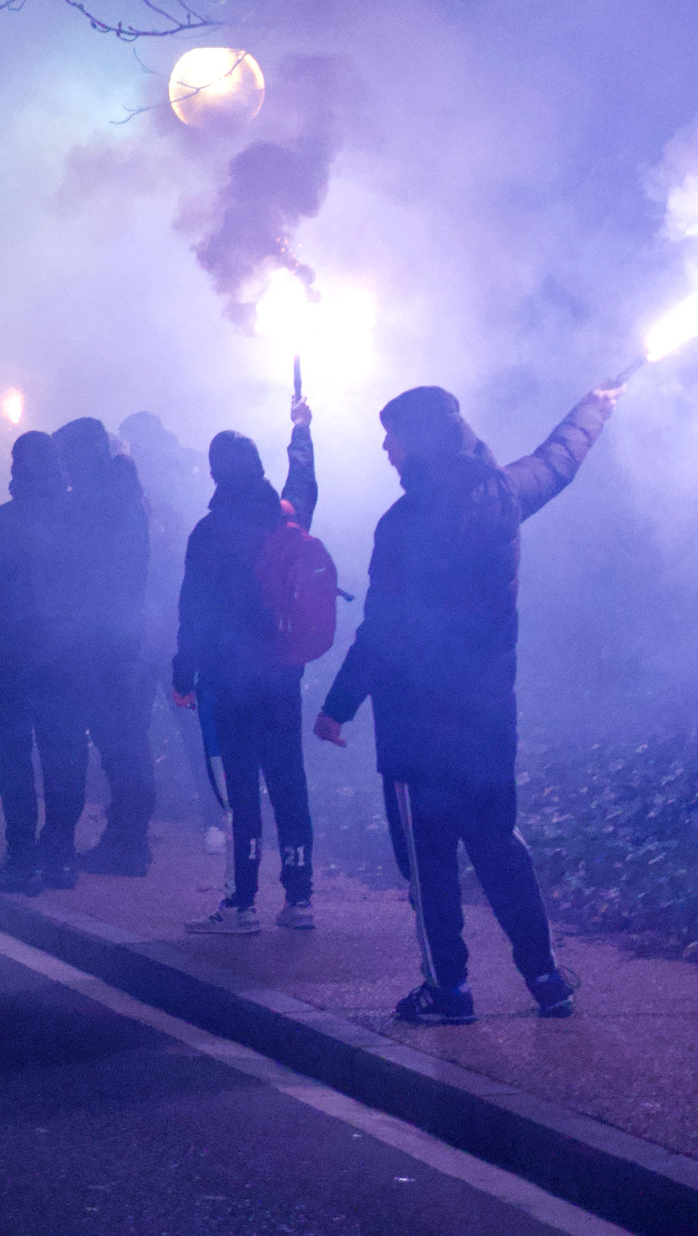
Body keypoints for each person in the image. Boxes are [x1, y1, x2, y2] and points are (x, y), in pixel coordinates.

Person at [317, 378, 616, 1024]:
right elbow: (557, 460)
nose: (385, 448)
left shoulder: (401, 527)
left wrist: (338, 705)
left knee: (429, 869)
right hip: (484, 721)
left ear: (420, 439)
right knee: (500, 850)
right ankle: (547, 980)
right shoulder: (502, 495)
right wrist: (591, 405)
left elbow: (381, 632)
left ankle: (447, 991)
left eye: (393, 435)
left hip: (416, 732)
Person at [172, 400, 320, 934]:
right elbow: (304, 481)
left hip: (230, 680)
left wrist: (182, 674)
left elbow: (192, 611)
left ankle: (241, 904)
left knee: (241, 789)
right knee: (289, 781)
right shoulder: (286, 517)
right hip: (283, 673)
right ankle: (300, 900)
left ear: (215, 473)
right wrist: (301, 430)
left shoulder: (207, 534)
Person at [0, 431, 89, 894]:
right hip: (64, 662)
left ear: (15, 467)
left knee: (15, 763)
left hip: (8, 663)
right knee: (64, 760)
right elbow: (98, 594)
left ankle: (22, 857)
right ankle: (57, 857)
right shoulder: (78, 520)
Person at [55, 418, 156, 875]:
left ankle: (129, 844)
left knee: (120, 741)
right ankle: (127, 838)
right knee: (124, 739)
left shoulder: (99, 503)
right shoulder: (121, 494)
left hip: (107, 637)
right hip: (121, 632)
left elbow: (91, 571)